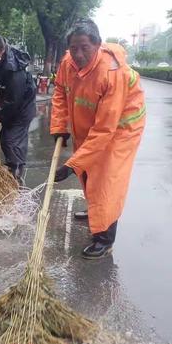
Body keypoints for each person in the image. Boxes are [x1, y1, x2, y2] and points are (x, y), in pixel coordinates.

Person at [51, 18, 145, 259]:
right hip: (90, 122)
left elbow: (105, 130)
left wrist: (71, 165)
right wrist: (59, 126)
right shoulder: (67, 62)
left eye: (85, 47)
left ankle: (104, 237)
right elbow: (60, 91)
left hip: (121, 128)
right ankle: (96, 212)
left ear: (98, 44)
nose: (79, 54)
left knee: (106, 179)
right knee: (87, 171)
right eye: (74, 48)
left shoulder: (112, 73)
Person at [0, 33, 37, 185]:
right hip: (11, 104)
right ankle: (12, 168)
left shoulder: (14, 71)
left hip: (22, 108)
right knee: (5, 137)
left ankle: (16, 175)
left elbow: (14, 100)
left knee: (13, 141)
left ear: (2, 50)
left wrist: (0, 113)